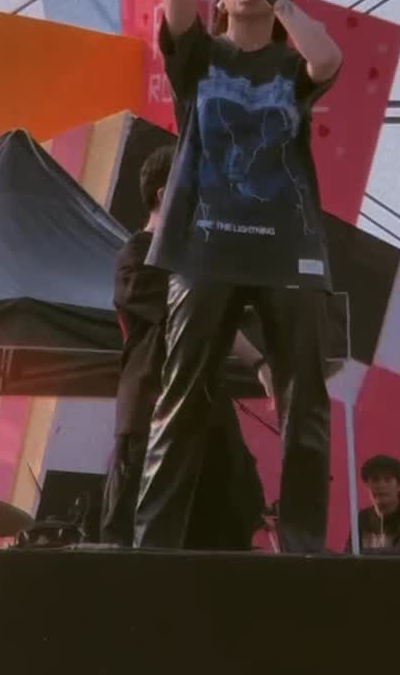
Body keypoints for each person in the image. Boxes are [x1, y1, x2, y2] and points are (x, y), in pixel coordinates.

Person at [133, 0, 343, 553]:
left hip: (287, 249)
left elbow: (327, 60)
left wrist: (281, 0)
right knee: (184, 394)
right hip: (205, 244)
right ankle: (153, 550)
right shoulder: (199, 56)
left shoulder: (290, 64)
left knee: (304, 399)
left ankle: (305, 548)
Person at [100, 144, 270, 550]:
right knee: (143, 541)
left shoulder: (195, 261)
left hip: (206, 410)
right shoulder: (135, 256)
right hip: (153, 413)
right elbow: (193, 314)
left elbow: (217, 321)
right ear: (163, 195)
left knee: (226, 532)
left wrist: (261, 364)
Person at [349, 454, 400, 554]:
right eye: (375, 479)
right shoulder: (361, 518)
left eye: (387, 480)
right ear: (367, 484)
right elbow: (349, 557)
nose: (381, 485)